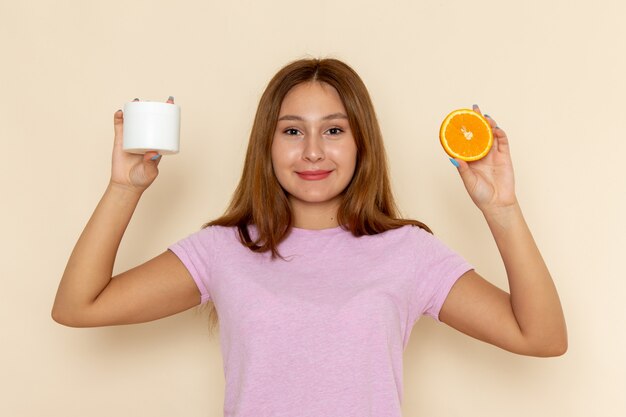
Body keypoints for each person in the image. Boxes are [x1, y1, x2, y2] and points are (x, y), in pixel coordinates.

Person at [52, 58, 567, 416]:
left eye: (335, 130)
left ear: (362, 142)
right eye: (293, 130)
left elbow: (541, 337)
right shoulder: (223, 249)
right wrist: (125, 187)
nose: (314, 152)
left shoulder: (408, 252)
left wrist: (502, 210)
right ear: (268, 144)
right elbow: (79, 306)